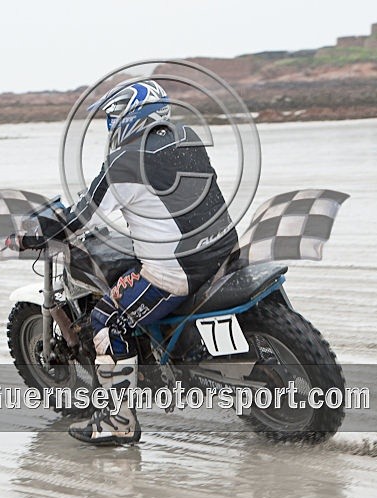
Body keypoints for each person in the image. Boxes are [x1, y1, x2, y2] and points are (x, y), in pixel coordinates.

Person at [14, 80, 237, 445]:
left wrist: (33, 237)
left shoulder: (123, 162)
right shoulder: (188, 136)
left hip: (177, 272)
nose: (111, 127)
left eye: (113, 118)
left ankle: (117, 423)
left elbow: (84, 216)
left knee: (106, 320)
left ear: (130, 117)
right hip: (224, 248)